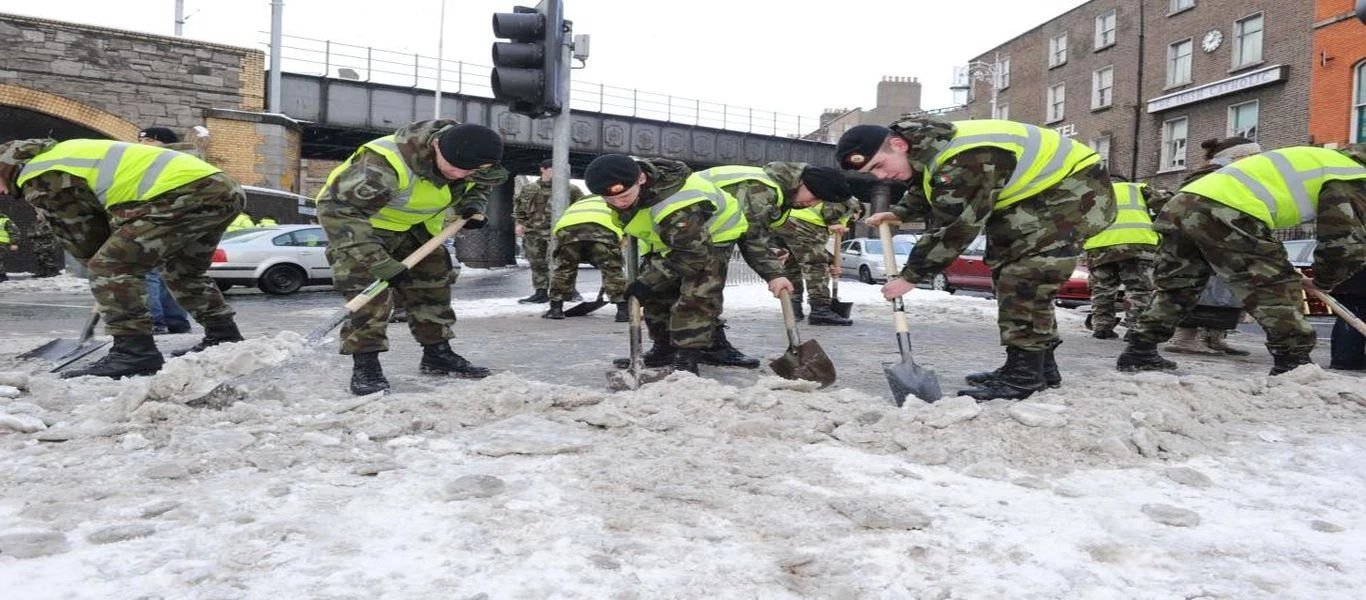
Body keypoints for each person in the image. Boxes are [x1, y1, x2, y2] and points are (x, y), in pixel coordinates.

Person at [837, 116, 1115, 401]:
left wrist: (911, 276)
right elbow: (930, 184)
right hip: (1037, 197)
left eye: (879, 166)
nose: (881, 177)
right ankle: (1038, 368)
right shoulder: (929, 148)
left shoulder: (966, 158)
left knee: (1024, 277)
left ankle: (1024, 378)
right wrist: (902, 212)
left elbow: (955, 228)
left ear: (897, 145)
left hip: (1072, 193)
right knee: (1007, 270)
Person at [0, 137, 248, 378]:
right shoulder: (62, 153)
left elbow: (85, 240)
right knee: (182, 270)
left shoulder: (40, 175)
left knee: (109, 266)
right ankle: (224, 335)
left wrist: (107, 280)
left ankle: (134, 352)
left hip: (177, 196)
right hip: (221, 189)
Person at [1116, 144, 1366, 376]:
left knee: (1178, 285)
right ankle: (1293, 363)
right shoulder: (1350, 177)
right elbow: (1343, 244)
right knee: (1272, 286)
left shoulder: (1326, 160)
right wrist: (1324, 281)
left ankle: (1140, 350)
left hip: (1183, 204)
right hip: (1229, 210)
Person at [316, 119, 506, 395]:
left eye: (469, 171)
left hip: (415, 230)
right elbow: (337, 211)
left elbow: (481, 183)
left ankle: (437, 354)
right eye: (453, 167)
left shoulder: (473, 162)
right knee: (371, 296)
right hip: (362, 230)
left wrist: (472, 204)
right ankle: (366, 365)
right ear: (436, 145)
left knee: (433, 287)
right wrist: (378, 262)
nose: (458, 175)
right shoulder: (384, 165)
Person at [586, 154, 791, 374]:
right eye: (611, 200)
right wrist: (649, 282)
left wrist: (648, 280)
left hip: (712, 238)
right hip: (670, 242)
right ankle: (663, 349)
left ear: (642, 179)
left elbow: (693, 256)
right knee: (656, 295)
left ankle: (687, 357)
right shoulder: (629, 196)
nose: (619, 203)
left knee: (696, 296)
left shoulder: (677, 203)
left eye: (624, 196)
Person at [697, 162, 856, 326]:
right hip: (685, 229)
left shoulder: (780, 194)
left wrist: (773, 249)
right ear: (803, 184)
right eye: (815, 197)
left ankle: (706, 336)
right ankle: (699, 342)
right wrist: (774, 274)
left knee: (705, 285)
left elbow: (761, 229)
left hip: (702, 232)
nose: (813, 204)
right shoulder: (763, 190)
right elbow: (751, 236)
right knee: (702, 286)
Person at [1163, 137, 1261, 356]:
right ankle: (1185, 338)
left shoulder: (1235, 175)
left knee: (1224, 292)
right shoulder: (1211, 176)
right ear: (1237, 156)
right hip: (1205, 240)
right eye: (1252, 155)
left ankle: (1214, 338)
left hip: (1223, 240)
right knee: (1201, 290)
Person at [1082, 174, 1159, 340]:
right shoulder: (1138, 189)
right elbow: (1165, 205)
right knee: (1138, 288)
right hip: (1137, 243)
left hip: (1100, 245)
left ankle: (1102, 327)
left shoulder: (1091, 192)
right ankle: (1134, 329)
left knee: (1102, 288)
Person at [136, 126, 193, 334]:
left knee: (147, 272)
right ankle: (176, 323)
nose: (142, 145)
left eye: (149, 140)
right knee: (168, 274)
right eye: (140, 140)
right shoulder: (186, 161)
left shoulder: (158, 163)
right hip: (179, 225)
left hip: (159, 222)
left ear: (165, 142)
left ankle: (155, 323)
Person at [541, 194, 630, 322]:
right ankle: (623, 311)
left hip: (567, 231)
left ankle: (555, 308)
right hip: (603, 230)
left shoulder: (579, 203)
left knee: (564, 268)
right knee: (612, 269)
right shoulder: (615, 200)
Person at [514, 158, 585, 304]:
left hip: (560, 232)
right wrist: (519, 224)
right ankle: (541, 292)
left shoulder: (570, 189)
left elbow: (582, 208)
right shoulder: (529, 189)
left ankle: (570, 291)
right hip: (533, 232)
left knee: (563, 263)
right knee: (537, 263)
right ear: (543, 169)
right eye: (554, 169)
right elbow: (520, 208)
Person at [1328, 267, 1366, 371]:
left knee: (1351, 311)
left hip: (1350, 280)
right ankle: (1347, 358)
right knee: (1352, 310)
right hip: (1353, 282)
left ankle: (1346, 358)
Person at [26, 213, 65, 278]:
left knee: (48, 259)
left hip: (47, 244)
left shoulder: (47, 224)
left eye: (39, 215)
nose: (37, 216)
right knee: (40, 259)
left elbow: (48, 232)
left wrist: (36, 234)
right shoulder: (35, 224)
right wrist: (34, 234)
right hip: (38, 245)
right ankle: (42, 272)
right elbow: (29, 232)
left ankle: (53, 272)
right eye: (37, 215)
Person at [0, 210, 17, 282]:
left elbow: (14, 232)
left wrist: (14, 243)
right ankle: (2, 275)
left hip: (3, 243)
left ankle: (2, 275)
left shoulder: (5, 220)